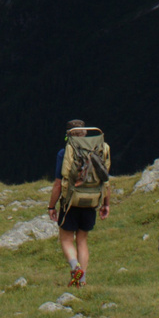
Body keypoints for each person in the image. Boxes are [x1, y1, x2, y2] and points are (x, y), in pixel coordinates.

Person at [47, 118, 111, 286]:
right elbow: (105, 180)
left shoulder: (65, 153)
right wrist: (106, 204)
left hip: (71, 202)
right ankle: (82, 280)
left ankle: (75, 268)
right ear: (85, 133)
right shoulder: (100, 150)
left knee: (66, 239)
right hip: (91, 202)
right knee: (82, 240)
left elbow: (58, 183)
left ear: (68, 135)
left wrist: (51, 206)